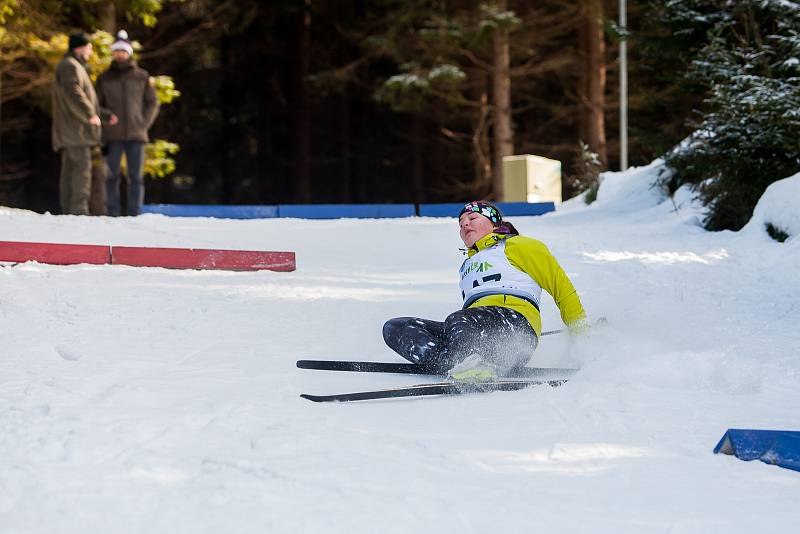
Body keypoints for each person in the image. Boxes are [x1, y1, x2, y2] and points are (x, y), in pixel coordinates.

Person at [383, 201, 588, 381]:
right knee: (396, 327)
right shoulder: (467, 264)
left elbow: (562, 289)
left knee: (459, 319)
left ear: (494, 223)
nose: (464, 223)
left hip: (515, 327)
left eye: (472, 218)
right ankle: (454, 362)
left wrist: (582, 334)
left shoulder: (519, 245)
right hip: (475, 330)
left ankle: (469, 362)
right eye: (461, 222)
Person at [96, 30, 160, 216]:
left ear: (129, 53)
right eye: (117, 51)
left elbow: (153, 102)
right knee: (111, 176)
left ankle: (135, 212)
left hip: (136, 134)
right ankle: (113, 213)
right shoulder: (104, 78)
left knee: (136, 177)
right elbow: (96, 105)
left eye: (123, 51)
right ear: (113, 53)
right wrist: (106, 117)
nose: (120, 54)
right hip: (112, 135)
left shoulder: (142, 76)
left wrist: (143, 123)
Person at [52, 31, 116, 215]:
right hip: (76, 131)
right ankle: (78, 212)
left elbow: (86, 99)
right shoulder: (70, 66)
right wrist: (89, 115)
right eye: (88, 47)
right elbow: (73, 93)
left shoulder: (74, 66)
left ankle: (68, 211)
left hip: (73, 129)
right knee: (81, 171)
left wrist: (103, 115)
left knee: (71, 171)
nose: (90, 52)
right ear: (79, 48)